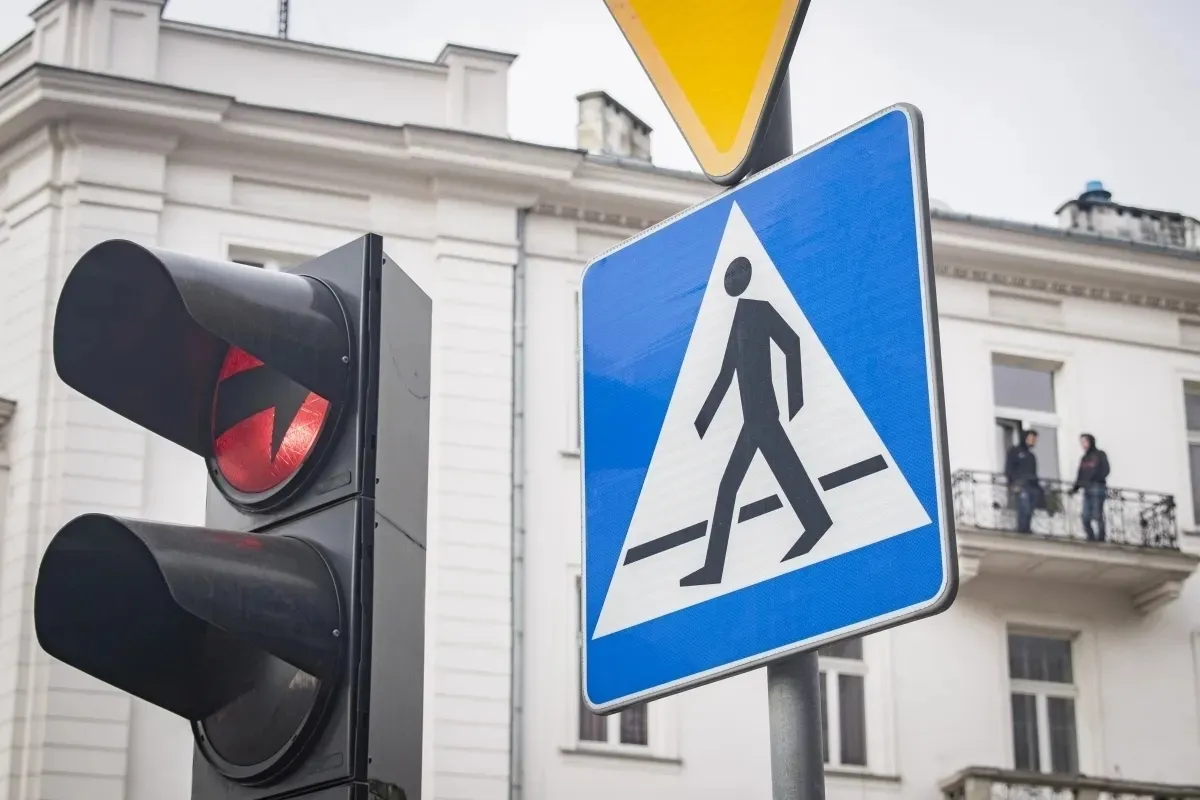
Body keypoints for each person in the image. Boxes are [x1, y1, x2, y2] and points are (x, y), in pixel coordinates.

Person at [682, 256, 832, 587]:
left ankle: (714, 567)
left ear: (749, 276)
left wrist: (797, 399)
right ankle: (816, 521)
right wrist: (700, 422)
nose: (732, 278)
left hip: (764, 413)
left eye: (737, 272)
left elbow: (791, 343)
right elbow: (726, 373)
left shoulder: (760, 310)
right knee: (773, 476)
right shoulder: (737, 318)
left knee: (743, 482)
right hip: (753, 418)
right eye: (729, 274)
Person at [1070, 433, 1110, 542]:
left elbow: (1106, 470)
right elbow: (1080, 475)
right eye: (1081, 442)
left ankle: (1101, 538)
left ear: (1091, 441)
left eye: (1085, 441)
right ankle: (1091, 538)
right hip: (1087, 489)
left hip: (1098, 487)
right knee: (1085, 517)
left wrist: (1094, 479)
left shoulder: (1100, 454)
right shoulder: (1084, 458)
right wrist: (1075, 488)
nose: (1083, 444)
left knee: (1097, 514)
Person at [1004, 429, 1039, 533]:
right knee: (1024, 507)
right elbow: (1009, 468)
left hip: (1031, 486)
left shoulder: (1031, 456)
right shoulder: (1015, 451)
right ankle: (1022, 529)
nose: (1033, 441)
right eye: (1031, 438)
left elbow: (1034, 473)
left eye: (1034, 439)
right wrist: (1012, 483)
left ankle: (1026, 528)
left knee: (1030, 510)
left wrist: (1038, 488)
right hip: (1020, 485)